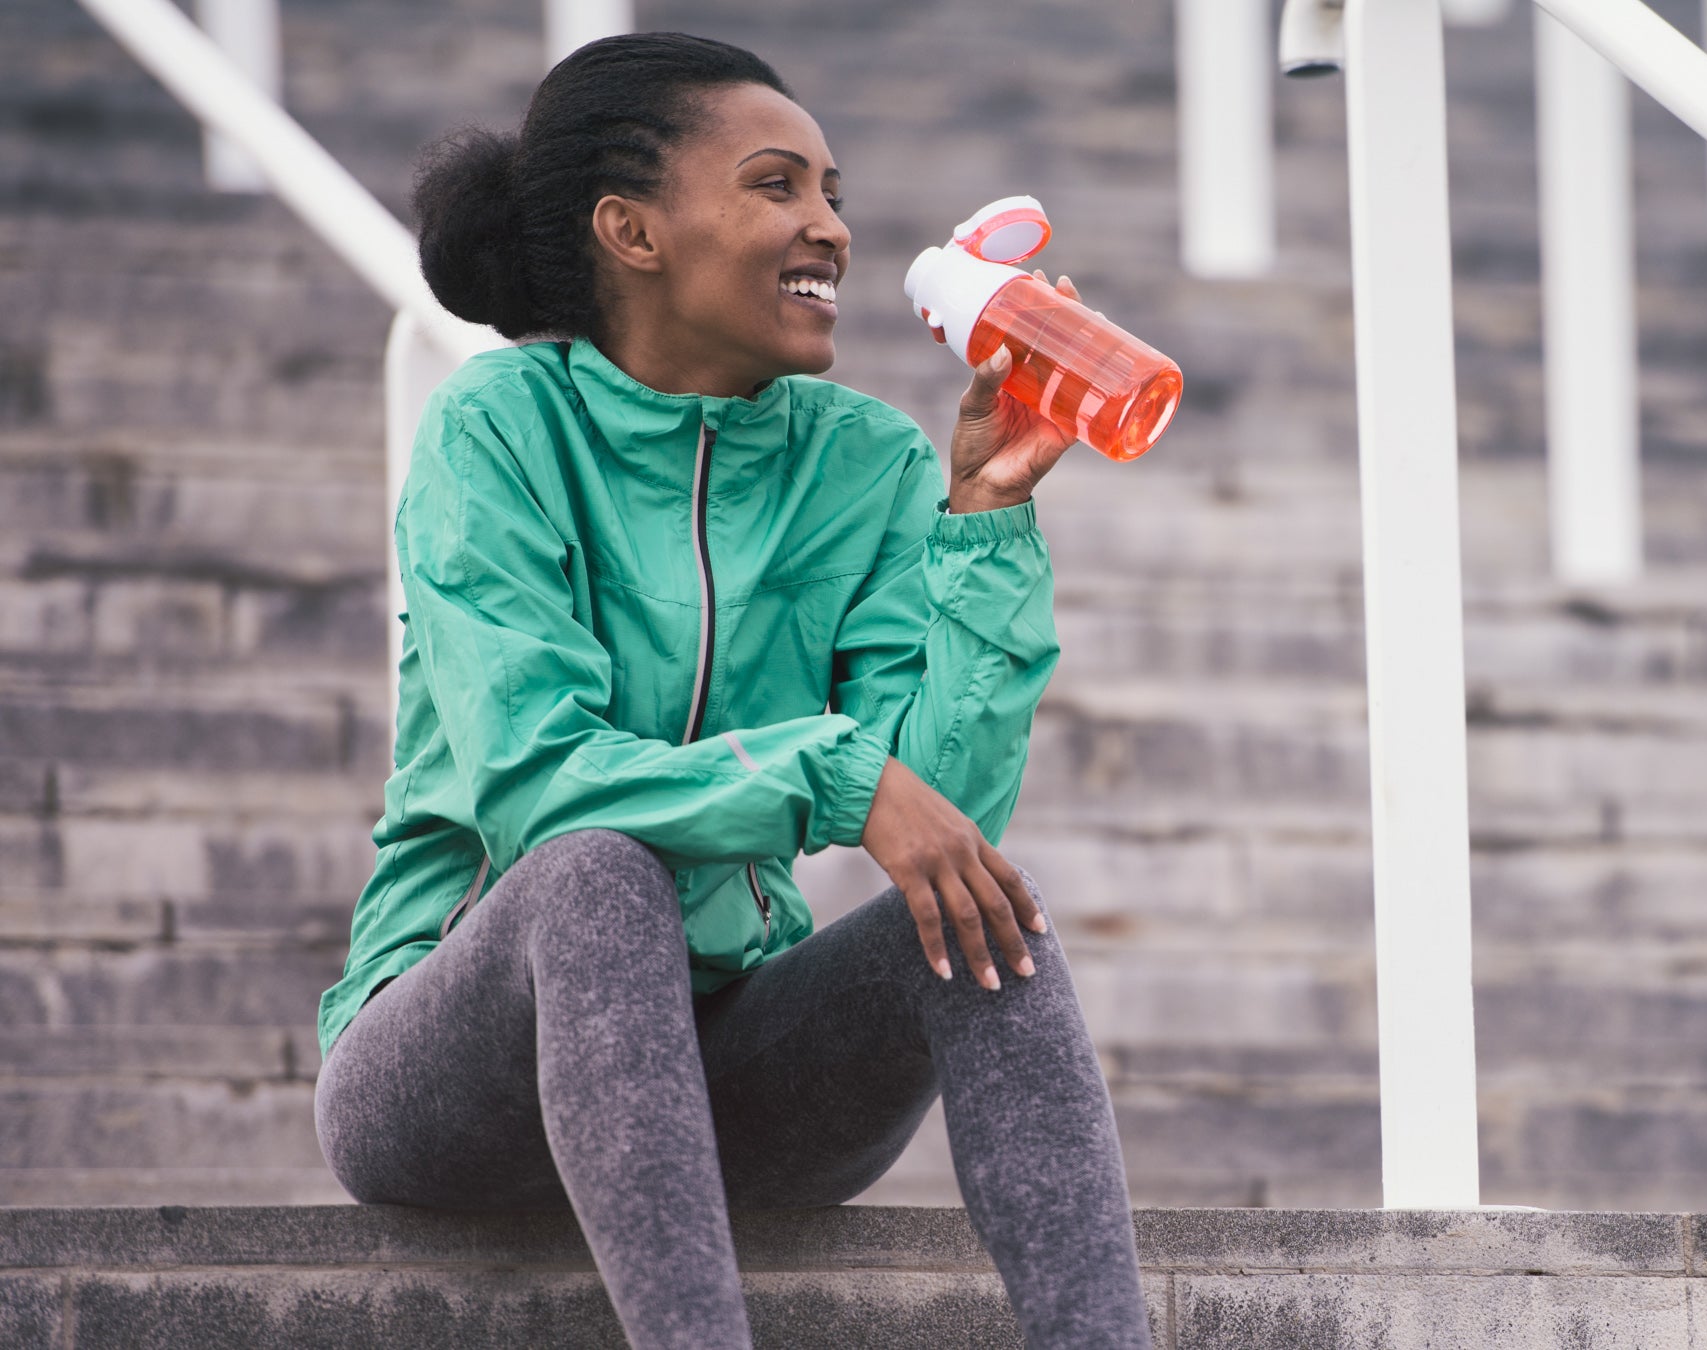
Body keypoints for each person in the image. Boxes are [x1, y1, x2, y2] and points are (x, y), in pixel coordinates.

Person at [309, 32, 1152, 1350]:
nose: (830, 226)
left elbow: (940, 813)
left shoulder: (863, 461)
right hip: (456, 1081)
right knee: (596, 875)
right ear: (631, 229)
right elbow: (535, 781)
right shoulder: (498, 428)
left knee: (992, 915)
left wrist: (984, 521)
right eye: (778, 186)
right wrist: (829, 773)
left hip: (735, 1085)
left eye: (834, 191)